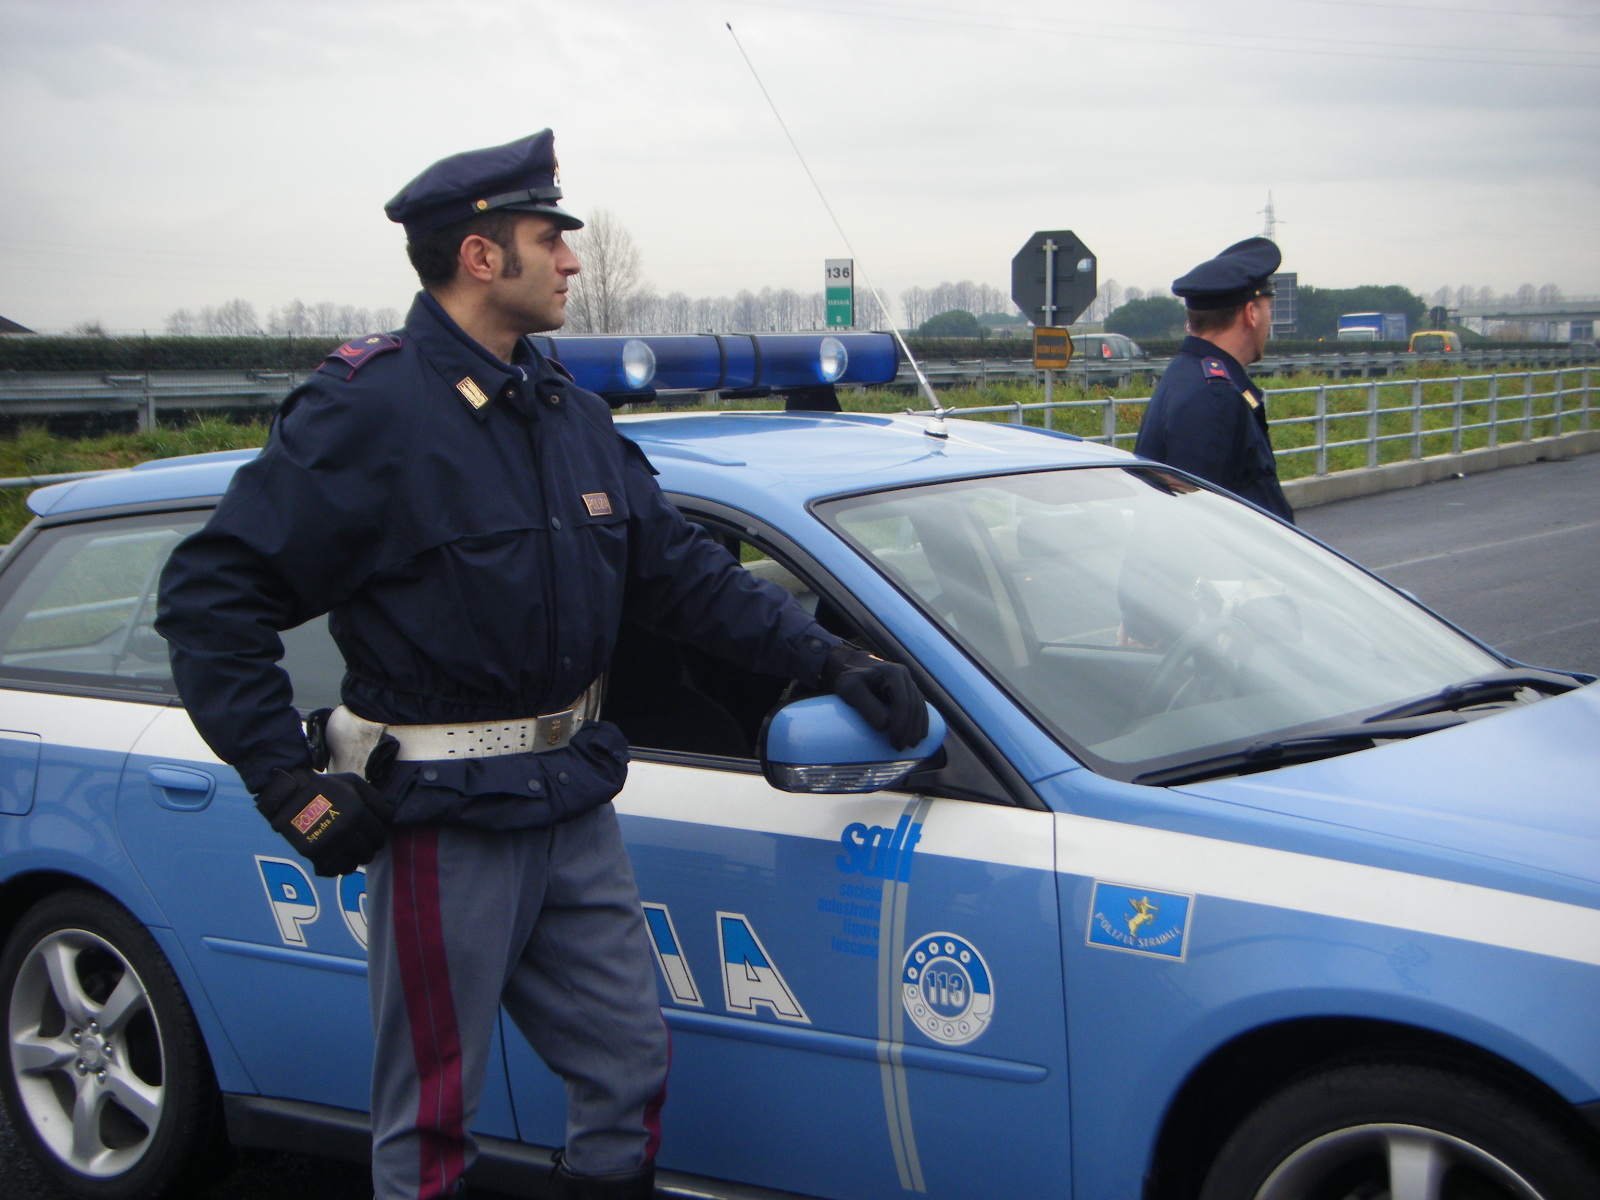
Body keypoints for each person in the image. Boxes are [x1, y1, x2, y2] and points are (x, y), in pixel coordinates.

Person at [155, 130, 927, 1200]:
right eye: (547, 238)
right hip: (442, 819)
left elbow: (681, 576)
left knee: (627, 1071)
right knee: (431, 1113)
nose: (570, 260)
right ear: (480, 256)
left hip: (569, 804)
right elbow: (211, 594)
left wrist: (831, 656)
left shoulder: (565, 409)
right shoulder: (369, 412)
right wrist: (281, 778)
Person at [1133, 236, 1294, 523]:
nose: (1270, 319)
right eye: (1268, 307)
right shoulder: (1214, 396)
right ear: (1250, 313)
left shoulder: (1189, 372)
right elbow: (1201, 522)